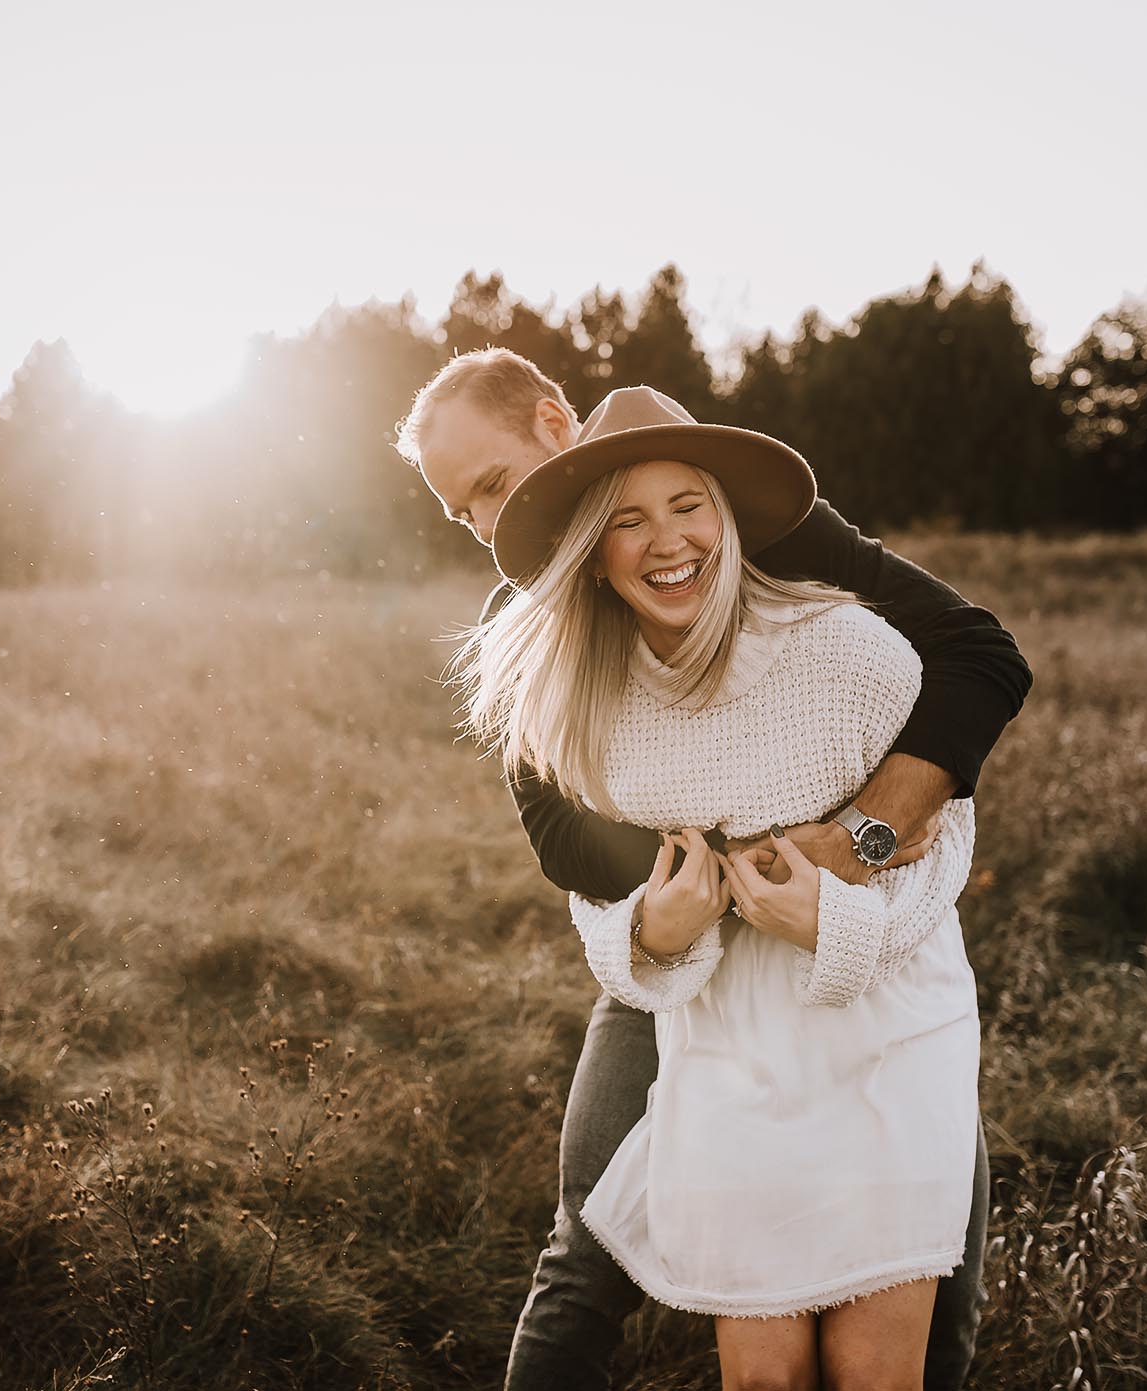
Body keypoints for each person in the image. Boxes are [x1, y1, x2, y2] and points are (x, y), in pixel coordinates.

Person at [395, 349, 1030, 1390]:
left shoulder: (750, 520)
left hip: (855, 947)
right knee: (588, 1233)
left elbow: (976, 654)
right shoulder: (528, 636)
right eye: (464, 512)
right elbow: (561, 837)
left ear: (555, 425)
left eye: (493, 484)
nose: (485, 528)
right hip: (676, 954)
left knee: (929, 1248)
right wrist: (690, 895)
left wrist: (859, 833)